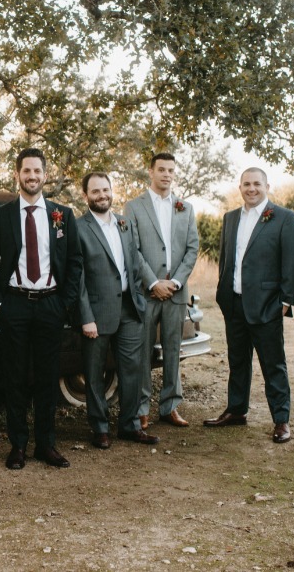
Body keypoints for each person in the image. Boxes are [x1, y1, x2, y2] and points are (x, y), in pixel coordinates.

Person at [0, 148, 83, 470]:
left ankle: (47, 445)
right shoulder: (3, 215)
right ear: (17, 175)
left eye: (38, 170)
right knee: (15, 378)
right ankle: (18, 446)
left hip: (51, 305)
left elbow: (76, 261)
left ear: (45, 174)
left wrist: (65, 304)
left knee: (47, 378)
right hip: (15, 305)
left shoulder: (62, 215)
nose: (32, 176)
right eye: (27, 171)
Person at [207, 168, 294, 443]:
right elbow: (227, 259)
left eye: (256, 184)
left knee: (273, 365)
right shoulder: (230, 218)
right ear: (239, 187)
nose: (252, 189)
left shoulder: (284, 218)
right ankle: (236, 410)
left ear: (267, 186)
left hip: (267, 305)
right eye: (246, 184)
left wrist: (286, 301)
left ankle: (282, 420)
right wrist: (223, 292)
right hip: (234, 303)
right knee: (238, 361)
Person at [77, 172, 158, 449]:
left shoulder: (124, 223)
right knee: (95, 371)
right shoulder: (79, 228)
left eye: (106, 190)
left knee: (132, 370)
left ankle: (130, 425)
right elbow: (78, 279)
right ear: (85, 196)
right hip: (96, 313)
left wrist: (139, 300)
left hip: (130, 309)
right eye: (96, 191)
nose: (102, 196)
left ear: (112, 191)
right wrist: (85, 317)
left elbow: (134, 264)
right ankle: (99, 428)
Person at [125, 152, 199, 429]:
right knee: (142, 352)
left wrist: (175, 282)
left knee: (173, 350)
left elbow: (192, 248)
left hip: (176, 292)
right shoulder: (134, 206)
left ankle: (170, 406)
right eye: (162, 170)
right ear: (151, 171)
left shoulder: (185, 207)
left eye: (171, 170)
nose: (167, 174)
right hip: (147, 292)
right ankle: (141, 408)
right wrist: (154, 283)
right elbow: (132, 248)